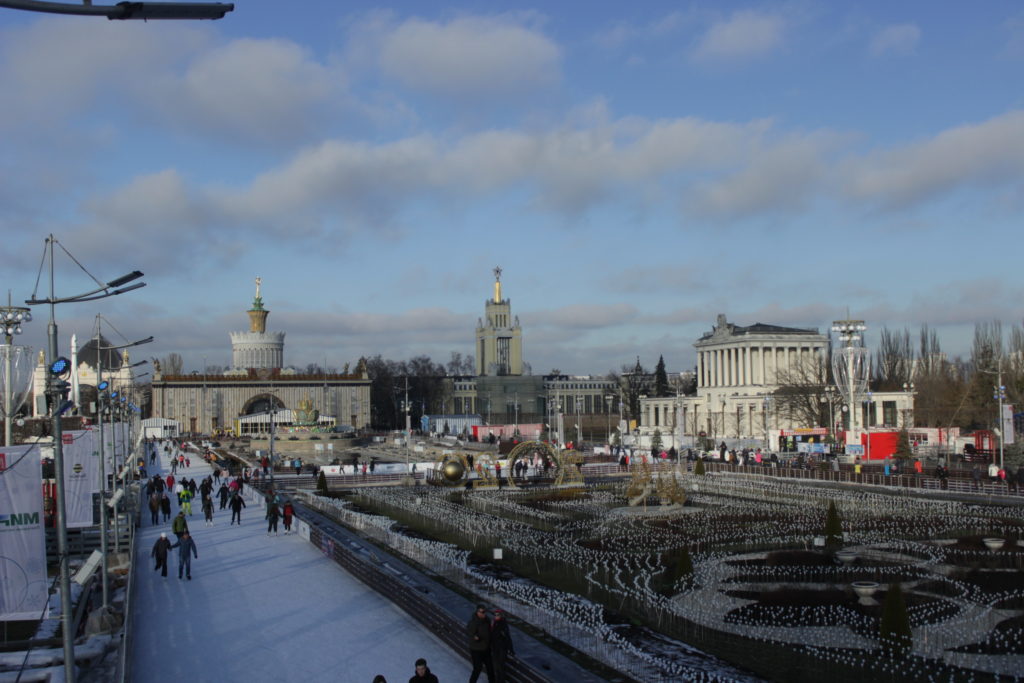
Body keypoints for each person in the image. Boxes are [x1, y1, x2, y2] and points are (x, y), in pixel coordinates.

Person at [466, 604, 494, 683]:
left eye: (485, 612)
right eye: (482, 612)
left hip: (486, 649)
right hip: (476, 650)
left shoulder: (487, 621)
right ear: (478, 612)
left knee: (490, 668)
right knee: (477, 668)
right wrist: (476, 637)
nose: (484, 614)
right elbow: (470, 633)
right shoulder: (473, 622)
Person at [490, 608, 515, 683]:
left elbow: (507, 637)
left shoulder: (503, 624)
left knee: (501, 667)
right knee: (496, 667)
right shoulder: (493, 622)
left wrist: (511, 649)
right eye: (495, 615)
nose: (496, 616)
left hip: (501, 648)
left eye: (498, 615)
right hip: (495, 647)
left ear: (501, 615)